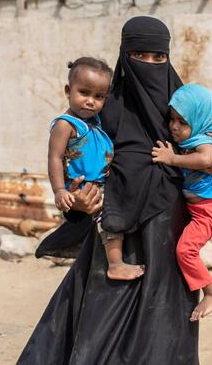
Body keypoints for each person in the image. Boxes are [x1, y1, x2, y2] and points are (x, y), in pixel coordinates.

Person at [18, 16, 212, 365]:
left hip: (168, 234)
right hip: (118, 233)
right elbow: (79, 164)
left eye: (158, 58)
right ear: (124, 54)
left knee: (163, 330)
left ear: (168, 58)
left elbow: (211, 151)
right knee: (100, 326)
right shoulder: (106, 107)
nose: (149, 66)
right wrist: (78, 203)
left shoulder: (178, 104)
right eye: (139, 56)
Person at [48, 57, 144, 281]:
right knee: (109, 222)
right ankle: (115, 264)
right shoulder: (66, 125)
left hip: (101, 182)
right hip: (86, 186)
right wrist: (59, 190)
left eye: (98, 96)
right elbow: (55, 157)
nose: (90, 101)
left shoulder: (95, 121)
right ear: (68, 90)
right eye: (84, 92)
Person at [151, 84, 212, 322]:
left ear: (199, 119)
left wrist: (171, 158)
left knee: (186, 250)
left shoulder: (203, 139)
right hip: (198, 209)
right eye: (172, 119)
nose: (174, 126)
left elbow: (206, 159)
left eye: (182, 122)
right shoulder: (191, 138)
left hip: (208, 210)